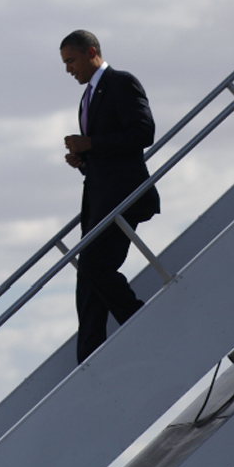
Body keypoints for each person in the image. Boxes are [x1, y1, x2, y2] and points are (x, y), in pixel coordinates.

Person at [60, 29, 160, 363]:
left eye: (71, 60)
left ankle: (138, 321)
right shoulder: (87, 95)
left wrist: (92, 144)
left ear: (90, 53)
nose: (68, 69)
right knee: (87, 275)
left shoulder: (121, 82)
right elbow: (107, 150)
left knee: (95, 265)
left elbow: (143, 132)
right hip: (98, 199)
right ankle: (88, 356)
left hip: (122, 197)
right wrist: (83, 159)